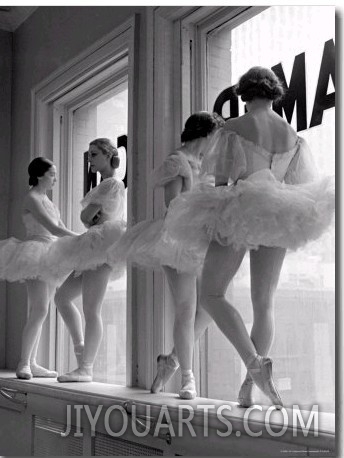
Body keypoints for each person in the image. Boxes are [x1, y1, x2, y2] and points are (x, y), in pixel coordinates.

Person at [164, 66, 334, 407]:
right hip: (281, 212)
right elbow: (296, 183)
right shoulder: (292, 135)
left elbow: (224, 181)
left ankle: (254, 365)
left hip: (240, 209)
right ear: (273, 92)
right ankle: (248, 388)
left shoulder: (233, 128)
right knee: (264, 302)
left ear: (244, 93)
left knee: (211, 294)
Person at [108, 112, 222, 399]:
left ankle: (170, 362)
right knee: (186, 308)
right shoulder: (177, 161)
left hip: (201, 238)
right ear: (206, 134)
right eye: (215, 138)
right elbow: (173, 206)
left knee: (209, 308)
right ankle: (187, 377)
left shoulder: (203, 163)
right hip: (177, 238)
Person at [54, 138, 126, 383]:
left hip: (102, 246)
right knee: (61, 297)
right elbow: (87, 217)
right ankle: (81, 350)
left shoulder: (113, 183)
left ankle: (86, 367)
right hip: (93, 245)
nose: (90, 160)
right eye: (89, 155)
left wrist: (89, 218)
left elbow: (86, 215)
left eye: (94, 155)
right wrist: (89, 218)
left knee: (91, 309)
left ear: (108, 155)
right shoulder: (106, 184)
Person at [0, 157, 78, 380]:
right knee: (39, 309)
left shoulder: (48, 200)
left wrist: (79, 238)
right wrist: (83, 237)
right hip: (36, 253)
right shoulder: (32, 198)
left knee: (42, 310)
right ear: (41, 175)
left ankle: (31, 362)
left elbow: (60, 228)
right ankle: (24, 362)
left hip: (51, 253)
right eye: (52, 174)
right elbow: (52, 227)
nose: (55, 178)